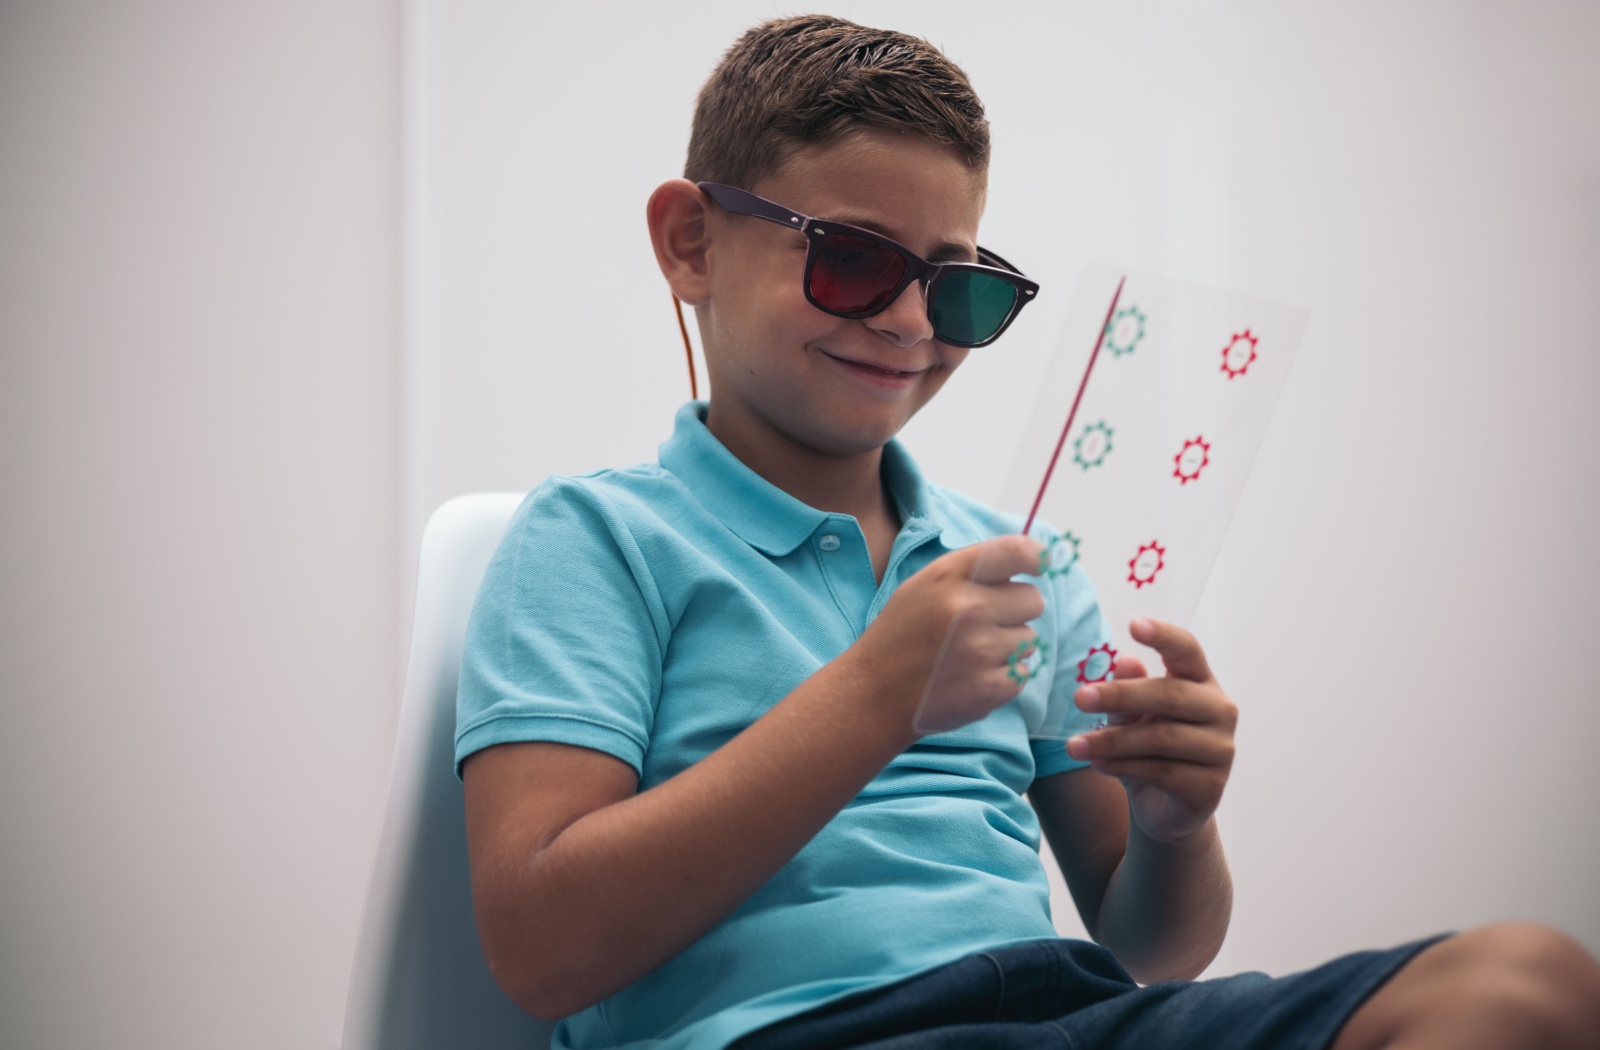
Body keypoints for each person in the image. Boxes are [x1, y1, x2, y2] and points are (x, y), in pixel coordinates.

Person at [455, 14, 1600, 1050]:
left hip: (1070, 1014)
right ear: (692, 243)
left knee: (1523, 988)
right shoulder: (595, 540)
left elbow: (1149, 950)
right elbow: (543, 952)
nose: (909, 324)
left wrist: (1173, 824)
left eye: (958, 288)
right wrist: (875, 693)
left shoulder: (1013, 567)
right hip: (803, 1036)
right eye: (853, 260)